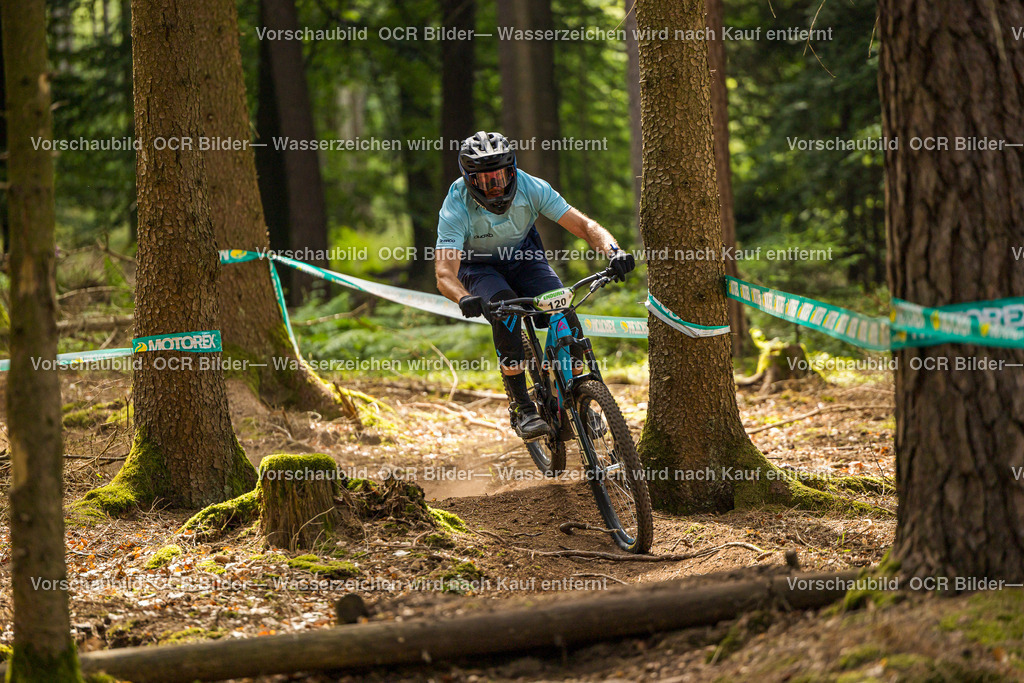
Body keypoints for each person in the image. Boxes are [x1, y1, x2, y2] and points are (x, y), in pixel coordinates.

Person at [434, 131, 635, 441]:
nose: (496, 186)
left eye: (500, 176)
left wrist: (614, 252)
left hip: (525, 257)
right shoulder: (456, 204)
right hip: (479, 266)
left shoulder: (532, 187)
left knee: (563, 309)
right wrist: (464, 298)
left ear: (513, 171)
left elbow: (584, 226)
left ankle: (580, 397)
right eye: (486, 181)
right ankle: (522, 407)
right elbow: (445, 272)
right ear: (470, 181)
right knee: (506, 311)